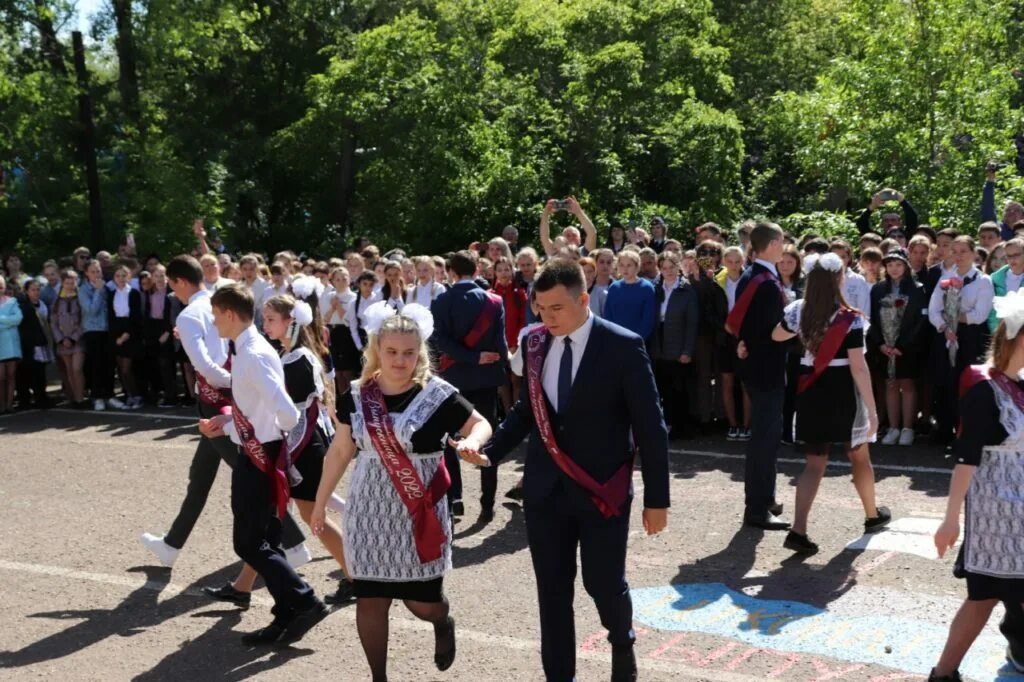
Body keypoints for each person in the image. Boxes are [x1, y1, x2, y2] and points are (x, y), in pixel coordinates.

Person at [455, 258, 669, 682]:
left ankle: (621, 640)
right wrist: (491, 451)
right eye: (540, 308)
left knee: (603, 584)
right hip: (545, 492)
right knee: (552, 592)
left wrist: (657, 500)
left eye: (557, 308)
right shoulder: (535, 343)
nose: (546, 317)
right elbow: (525, 411)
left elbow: (651, 426)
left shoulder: (623, 345)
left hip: (601, 491)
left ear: (583, 299)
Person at [311, 302, 493, 682]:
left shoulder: (438, 394)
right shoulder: (358, 394)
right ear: (377, 350)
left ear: (420, 352)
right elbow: (341, 450)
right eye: (391, 352)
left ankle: (442, 620)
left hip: (418, 511)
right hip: (368, 511)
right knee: (370, 598)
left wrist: (472, 443)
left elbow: (480, 423)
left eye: (409, 353)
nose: (399, 360)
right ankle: (379, 677)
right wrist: (321, 502)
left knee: (421, 603)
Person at [140, 256, 311, 572]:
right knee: (200, 476)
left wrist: (236, 380)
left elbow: (204, 365)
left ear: (178, 282)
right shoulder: (211, 304)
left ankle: (295, 543)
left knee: (255, 473)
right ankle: (171, 544)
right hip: (228, 396)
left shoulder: (190, 315)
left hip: (218, 401)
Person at [197, 284, 331, 645]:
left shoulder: (253, 354)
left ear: (228, 314)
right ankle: (286, 611)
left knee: (248, 542)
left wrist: (264, 438)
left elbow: (287, 413)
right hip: (259, 450)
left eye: (215, 315)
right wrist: (229, 423)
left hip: (258, 457)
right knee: (268, 538)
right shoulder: (252, 348)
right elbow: (258, 404)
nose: (213, 321)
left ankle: (304, 601)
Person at [930, 290, 1024, 681]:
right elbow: (966, 459)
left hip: (1019, 509)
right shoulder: (984, 389)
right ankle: (944, 673)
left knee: (987, 597)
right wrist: (950, 520)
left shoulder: (1018, 384)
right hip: (996, 513)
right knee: (982, 597)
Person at [771, 252, 890, 554]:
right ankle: (872, 515)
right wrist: (873, 410)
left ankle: (798, 530)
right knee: (859, 457)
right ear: (838, 279)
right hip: (842, 393)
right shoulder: (849, 317)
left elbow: (775, 336)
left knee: (814, 463)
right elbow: (859, 367)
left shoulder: (798, 310)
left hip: (810, 388)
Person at [429, 250, 508, 520]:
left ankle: (456, 498)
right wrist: (491, 366)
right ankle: (488, 502)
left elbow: (440, 343)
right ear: (476, 271)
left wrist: (469, 357)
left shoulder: (441, 301)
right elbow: (500, 345)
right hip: (486, 378)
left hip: (452, 380)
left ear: (451, 272)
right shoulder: (494, 301)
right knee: (488, 438)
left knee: (450, 439)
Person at [730, 221, 789, 530]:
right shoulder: (763, 280)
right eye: (781, 241)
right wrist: (796, 325)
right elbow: (768, 330)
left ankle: (766, 498)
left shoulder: (756, 276)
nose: (784, 246)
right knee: (763, 439)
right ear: (771, 244)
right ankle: (756, 507)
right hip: (765, 368)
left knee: (769, 436)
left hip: (759, 365)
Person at [928, 236, 995, 444]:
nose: (958, 256)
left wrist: (955, 318)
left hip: (970, 337)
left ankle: (966, 432)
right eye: (954, 251)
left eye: (963, 251)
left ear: (974, 253)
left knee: (968, 385)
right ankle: (944, 429)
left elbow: (980, 314)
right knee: (945, 383)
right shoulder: (945, 278)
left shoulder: (983, 281)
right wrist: (945, 326)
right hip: (947, 335)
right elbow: (933, 310)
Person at [869, 249, 927, 446]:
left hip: (907, 348)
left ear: (906, 266)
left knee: (907, 385)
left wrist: (903, 345)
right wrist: (881, 343)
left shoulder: (917, 288)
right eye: (890, 265)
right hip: (885, 347)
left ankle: (908, 428)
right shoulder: (878, 289)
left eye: (899, 264)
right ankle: (893, 427)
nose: (894, 269)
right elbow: (872, 319)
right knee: (890, 385)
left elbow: (920, 320)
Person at [649, 252, 698, 440]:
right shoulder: (655, 288)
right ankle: (666, 425)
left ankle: (680, 427)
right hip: (659, 344)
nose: (668, 271)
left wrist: (687, 350)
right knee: (662, 387)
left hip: (678, 344)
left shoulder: (687, 289)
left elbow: (692, 323)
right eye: (664, 268)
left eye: (672, 267)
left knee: (679, 390)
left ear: (678, 267)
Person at [717, 246, 751, 441]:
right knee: (727, 381)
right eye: (729, 261)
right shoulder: (717, 281)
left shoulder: (749, 281)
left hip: (743, 336)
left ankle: (747, 425)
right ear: (723, 261)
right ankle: (733, 424)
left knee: (745, 382)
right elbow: (711, 311)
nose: (734, 265)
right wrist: (724, 326)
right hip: (724, 337)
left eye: (737, 261)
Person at [107, 264, 143, 410]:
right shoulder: (112, 294)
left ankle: (137, 395)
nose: (121, 278)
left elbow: (135, 316)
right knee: (121, 369)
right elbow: (111, 316)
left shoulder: (133, 293)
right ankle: (129, 395)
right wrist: (116, 337)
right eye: (118, 276)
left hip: (130, 334)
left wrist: (126, 335)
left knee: (127, 369)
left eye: (124, 275)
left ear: (128, 277)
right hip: (116, 333)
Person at [50, 269, 87, 408]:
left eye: (72, 282)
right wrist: (61, 339)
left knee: (77, 368)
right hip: (63, 341)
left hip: (77, 340)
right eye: (67, 283)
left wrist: (73, 338)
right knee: (69, 370)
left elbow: (84, 320)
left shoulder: (80, 298)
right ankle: (75, 399)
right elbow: (53, 322)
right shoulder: (57, 300)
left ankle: (81, 397)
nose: (70, 285)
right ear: (62, 283)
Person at [142, 265, 178, 407]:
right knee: (156, 364)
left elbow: (173, 315)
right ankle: (160, 393)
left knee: (167, 364)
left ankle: (172, 396)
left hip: (167, 329)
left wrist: (168, 332)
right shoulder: (150, 292)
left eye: (162, 276)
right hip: (153, 330)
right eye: (156, 276)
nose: (159, 279)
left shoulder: (172, 293)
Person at [79, 259, 113, 411]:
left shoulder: (108, 286)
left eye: (98, 271)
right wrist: (98, 291)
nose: (96, 274)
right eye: (92, 271)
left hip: (108, 329)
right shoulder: (83, 289)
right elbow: (91, 310)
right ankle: (98, 396)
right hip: (92, 331)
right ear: (86, 273)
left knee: (109, 364)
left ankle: (109, 395)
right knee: (96, 365)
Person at [16, 279, 53, 409]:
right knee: (25, 373)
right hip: (27, 345)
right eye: (33, 290)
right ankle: (24, 400)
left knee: (40, 373)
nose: (36, 292)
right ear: (26, 291)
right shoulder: (22, 306)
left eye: (38, 289)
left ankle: (41, 397)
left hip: (41, 343)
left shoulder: (42, 305)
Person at [604, 250, 656, 342]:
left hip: (637, 341)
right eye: (622, 265)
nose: (625, 269)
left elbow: (648, 319)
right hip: (616, 340)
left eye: (629, 265)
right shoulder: (614, 287)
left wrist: (636, 339)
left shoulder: (647, 288)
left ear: (637, 267)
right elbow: (608, 316)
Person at [988, 237, 1024, 333]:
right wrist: (996, 332)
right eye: (1008, 256)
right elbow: (991, 311)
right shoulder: (993, 279)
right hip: (1000, 335)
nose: (1012, 259)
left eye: (1016, 255)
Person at [980, 163, 1024, 240]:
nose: (1011, 212)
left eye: (1016, 210)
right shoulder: (995, 229)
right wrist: (990, 181)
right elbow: (988, 206)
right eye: (1008, 210)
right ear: (1003, 216)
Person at [0, 275, 22, 414]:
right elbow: (12, 321)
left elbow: (18, 318)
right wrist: (8, 323)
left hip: (12, 346)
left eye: (1, 286)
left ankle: (9, 404)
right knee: (0, 378)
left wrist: (1, 320)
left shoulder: (12, 301)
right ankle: (1, 405)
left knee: (11, 376)